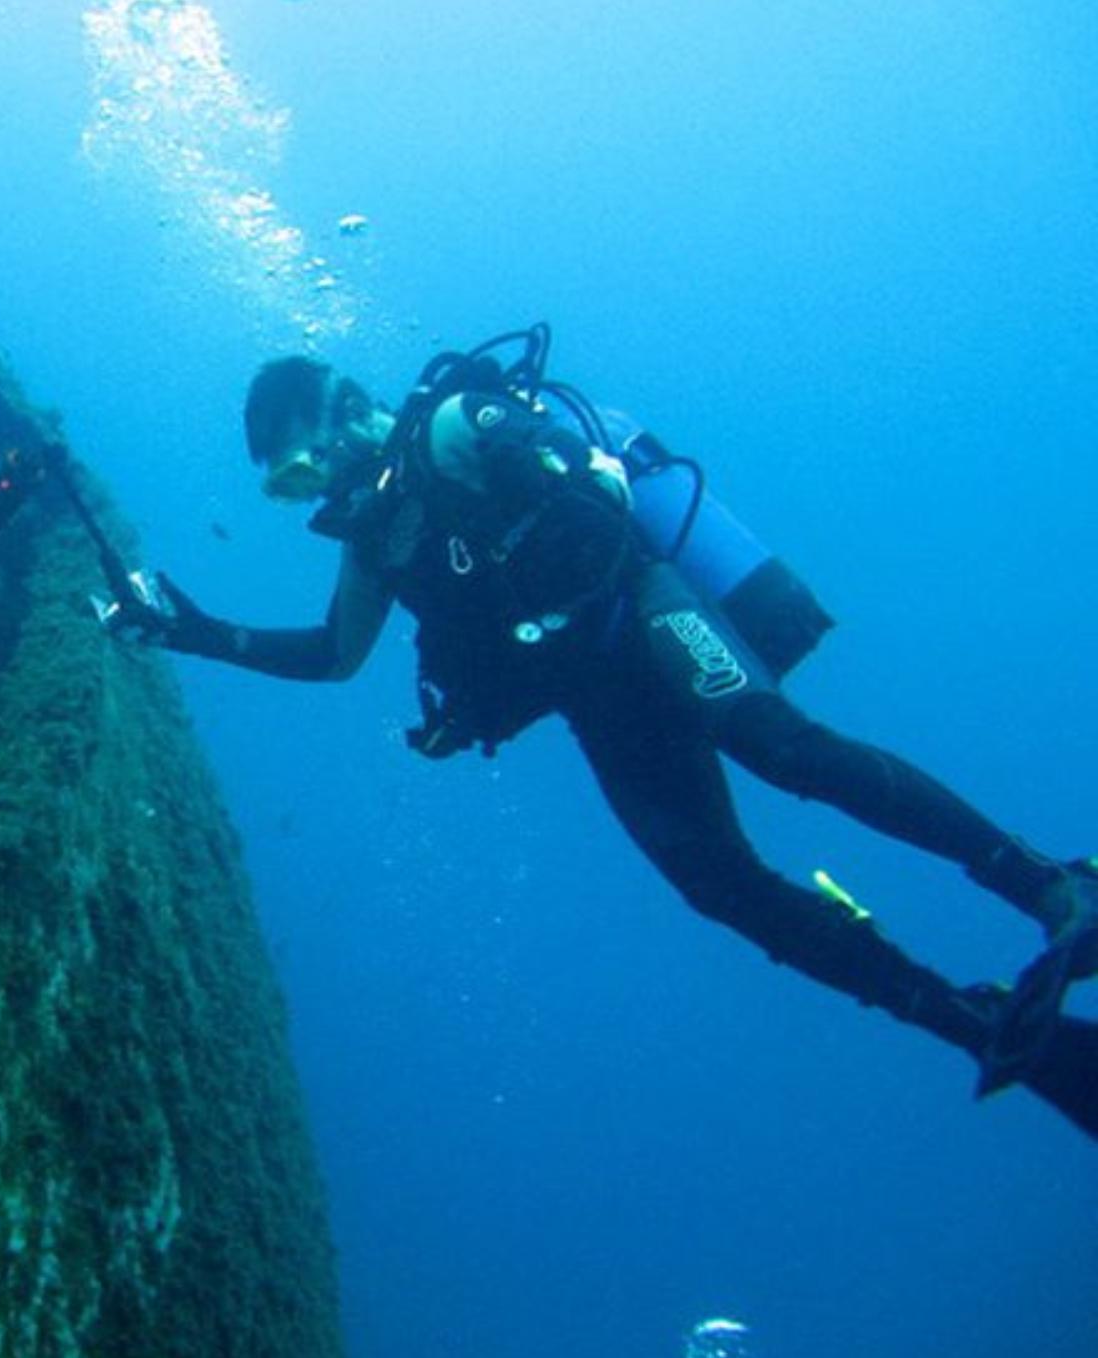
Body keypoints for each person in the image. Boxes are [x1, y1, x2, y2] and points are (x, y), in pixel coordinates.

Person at [110, 327, 1097, 1096]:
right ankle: (960, 1017)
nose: (309, 488)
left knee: (783, 748)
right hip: (595, 699)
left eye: (301, 462)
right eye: (286, 486)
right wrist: (194, 631)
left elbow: (592, 506)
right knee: (715, 883)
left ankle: (1048, 884)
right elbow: (332, 655)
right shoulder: (370, 545)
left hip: (647, 617)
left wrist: (536, 627)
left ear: (344, 410)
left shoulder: (455, 426)